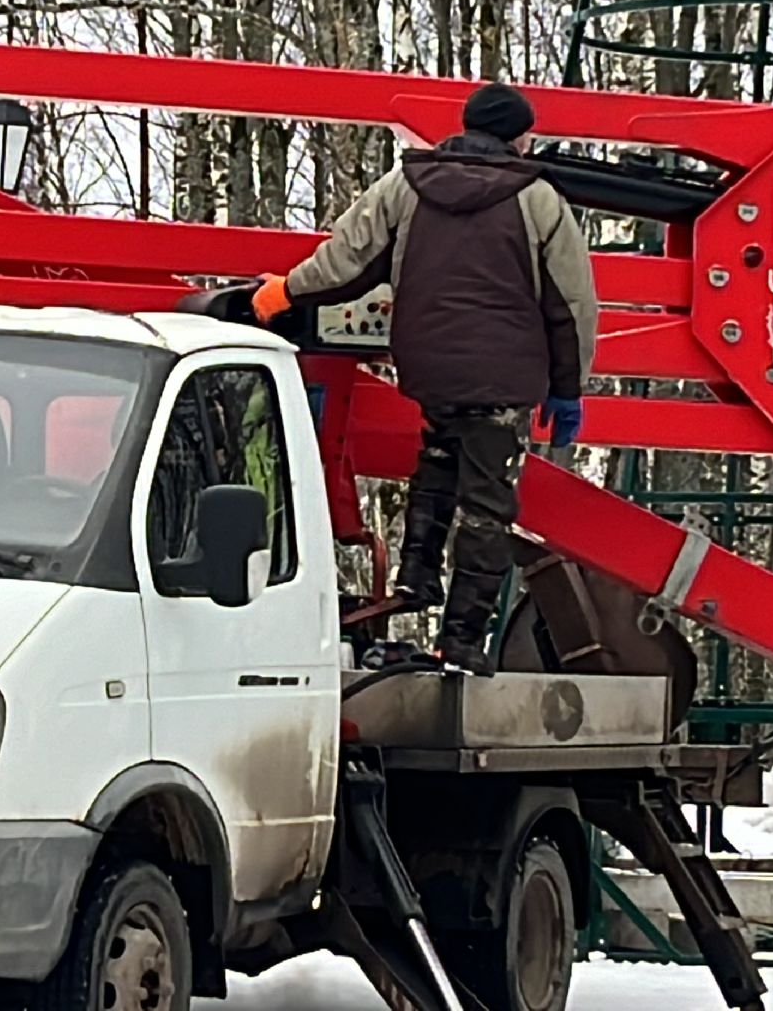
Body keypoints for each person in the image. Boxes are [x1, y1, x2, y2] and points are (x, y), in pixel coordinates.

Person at [252, 81, 597, 674]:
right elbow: (571, 303)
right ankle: (462, 643)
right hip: (504, 378)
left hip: (430, 368)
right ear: (519, 135)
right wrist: (569, 387)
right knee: (487, 505)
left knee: (438, 459)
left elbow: (347, 262)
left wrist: (281, 293)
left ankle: (416, 579)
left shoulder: (405, 186)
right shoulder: (539, 199)